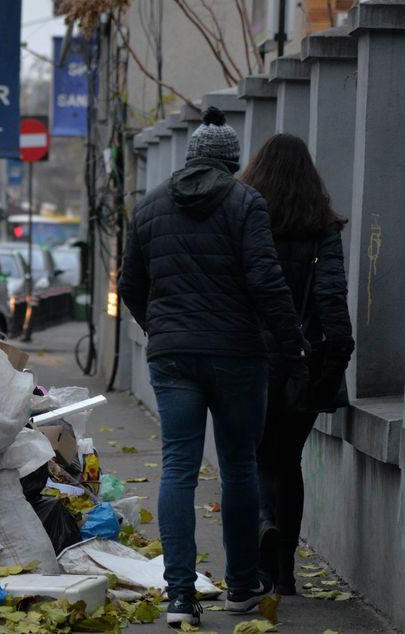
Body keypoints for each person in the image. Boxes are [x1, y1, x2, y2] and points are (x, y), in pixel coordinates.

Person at [119, 107, 307, 628]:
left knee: (178, 466)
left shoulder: (150, 206)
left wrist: (159, 329)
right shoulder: (246, 203)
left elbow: (130, 284)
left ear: (190, 157)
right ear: (231, 162)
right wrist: (292, 346)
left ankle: (180, 596)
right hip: (237, 356)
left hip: (173, 356)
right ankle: (242, 586)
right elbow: (267, 282)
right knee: (239, 466)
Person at [240, 134, 354, 595]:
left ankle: (262, 532)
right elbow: (331, 294)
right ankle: (286, 571)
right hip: (303, 364)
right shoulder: (320, 225)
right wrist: (337, 354)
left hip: (251, 358)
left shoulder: (246, 217)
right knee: (288, 461)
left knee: (253, 456)